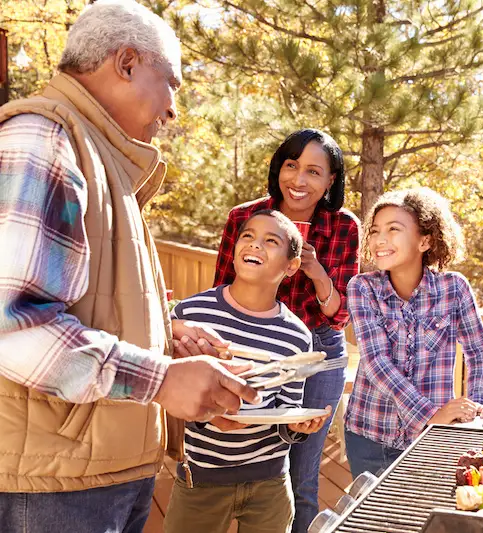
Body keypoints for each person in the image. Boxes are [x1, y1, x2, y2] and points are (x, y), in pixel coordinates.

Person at [0, 1, 260, 531]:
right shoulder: (45, 139)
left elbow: (85, 302)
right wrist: (162, 379)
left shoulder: (100, 156)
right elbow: (13, 329)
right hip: (54, 490)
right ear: (126, 63)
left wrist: (169, 335)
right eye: (172, 84)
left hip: (99, 473)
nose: (172, 109)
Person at [214, 129, 360, 533]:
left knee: (303, 475)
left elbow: (340, 315)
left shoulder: (344, 227)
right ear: (279, 167)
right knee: (250, 461)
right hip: (255, 347)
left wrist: (313, 268)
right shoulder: (244, 218)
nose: (299, 180)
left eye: (314, 171)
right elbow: (221, 292)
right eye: (291, 165)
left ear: (331, 181)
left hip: (319, 351)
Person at [164, 209, 331, 533]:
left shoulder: (296, 335)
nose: (255, 245)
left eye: (271, 241)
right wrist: (210, 411)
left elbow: (286, 408)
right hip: (201, 477)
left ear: (291, 266)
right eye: (248, 237)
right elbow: (172, 392)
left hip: (269, 481)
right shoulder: (193, 314)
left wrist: (298, 425)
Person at [344, 188, 483, 477]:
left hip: (432, 440)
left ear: (425, 240)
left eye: (393, 229)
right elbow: (377, 363)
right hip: (369, 437)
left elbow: (479, 354)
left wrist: (474, 412)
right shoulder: (362, 288)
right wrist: (430, 415)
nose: (380, 240)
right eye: (375, 231)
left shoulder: (454, 288)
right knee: (372, 520)